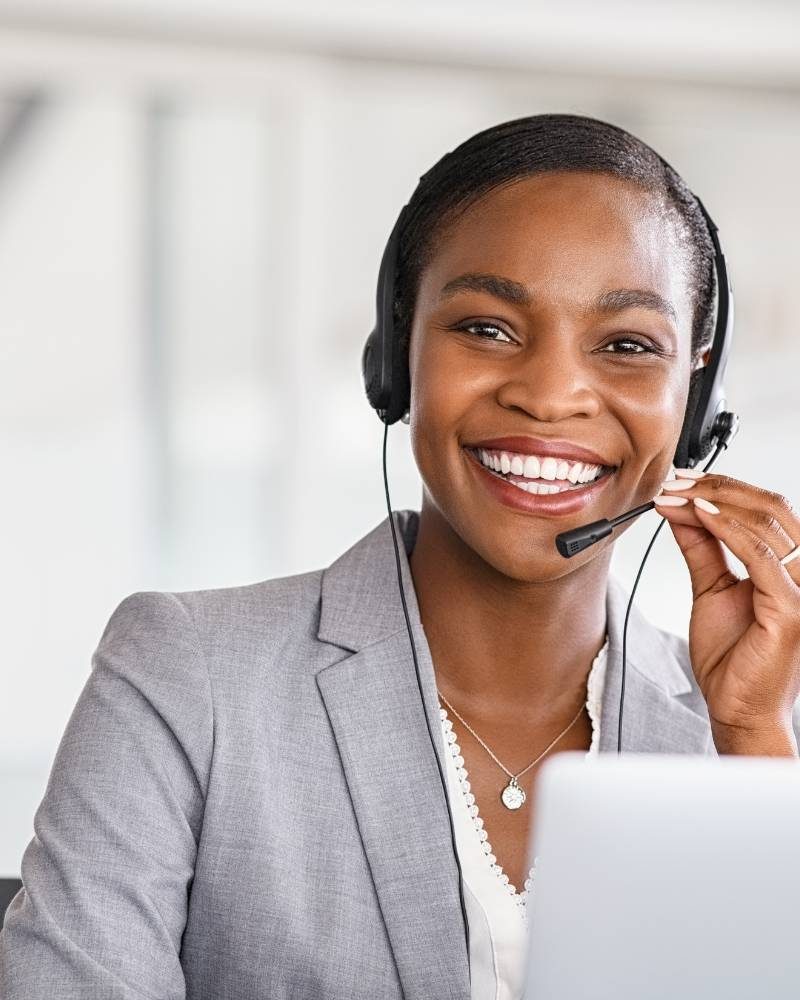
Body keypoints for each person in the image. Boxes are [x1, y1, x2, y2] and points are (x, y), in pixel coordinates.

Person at [2, 113, 799, 1000]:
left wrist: (753, 743)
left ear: (695, 403)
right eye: (488, 328)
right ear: (395, 358)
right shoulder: (190, 676)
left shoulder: (738, 737)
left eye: (626, 346)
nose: (549, 395)